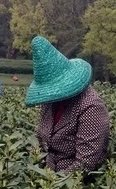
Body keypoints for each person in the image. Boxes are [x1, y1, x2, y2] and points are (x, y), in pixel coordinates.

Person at [25, 36, 110, 180]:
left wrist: (53, 183)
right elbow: (40, 139)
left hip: (75, 184)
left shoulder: (91, 107)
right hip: (47, 173)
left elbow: (85, 163)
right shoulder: (51, 100)